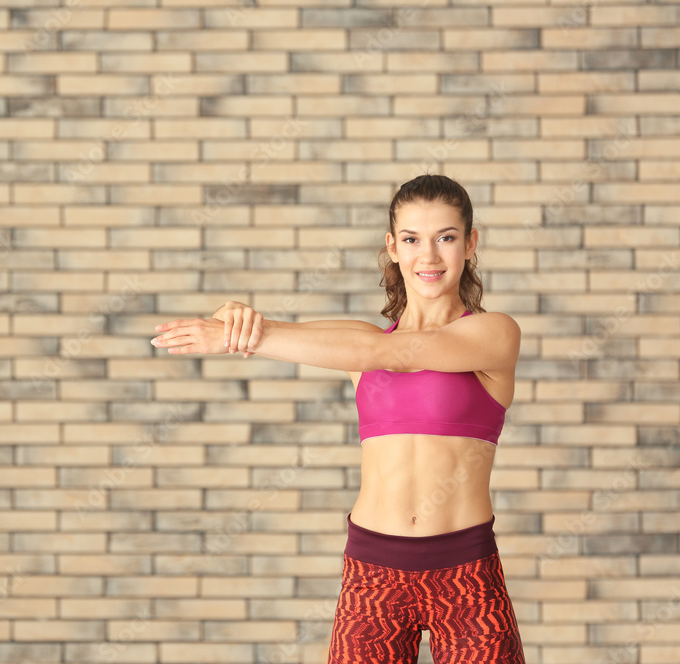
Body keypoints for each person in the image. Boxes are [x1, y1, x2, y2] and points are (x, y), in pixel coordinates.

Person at [152, 174, 525, 663]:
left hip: (466, 571)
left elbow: (396, 354)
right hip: (373, 571)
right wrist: (235, 318)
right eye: (412, 239)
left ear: (471, 244)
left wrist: (250, 336)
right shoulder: (355, 341)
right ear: (392, 247)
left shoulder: (494, 334)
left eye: (446, 238)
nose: (428, 256)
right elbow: (274, 329)